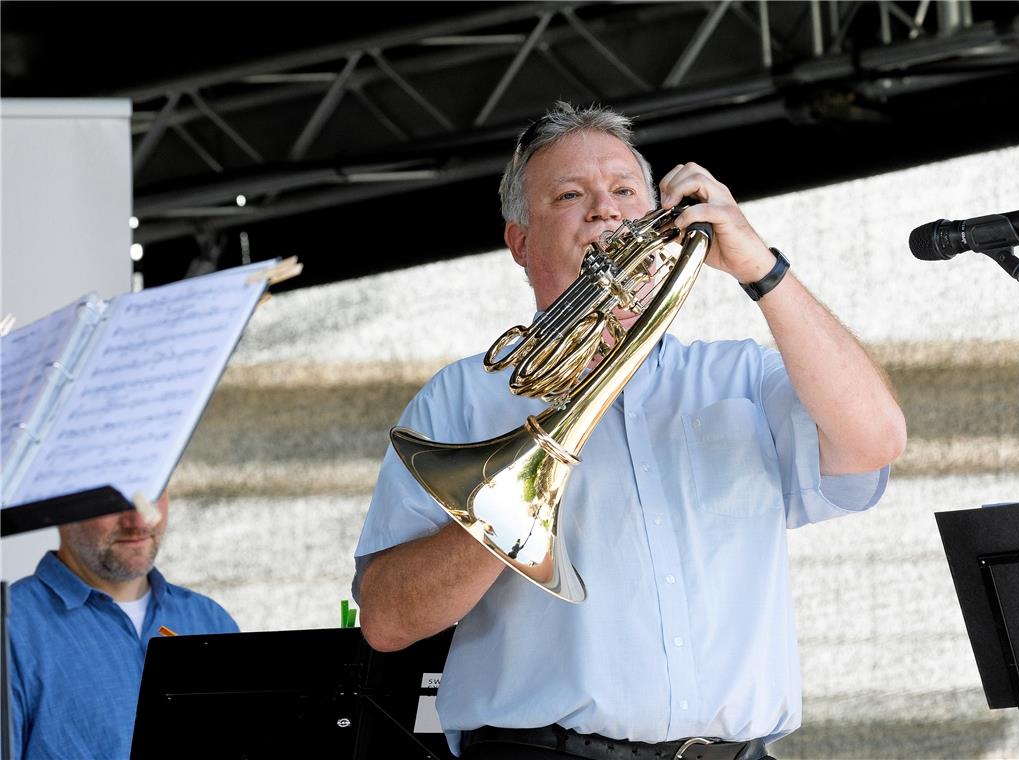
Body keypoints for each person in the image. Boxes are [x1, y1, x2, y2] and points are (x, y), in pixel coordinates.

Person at [353, 101, 907, 759]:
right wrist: (508, 509)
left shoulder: (740, 375)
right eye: (570, 195)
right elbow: (387, 621)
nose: (605, 210)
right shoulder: (462, 397)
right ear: (520, 243)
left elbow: (878, 440)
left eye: (624, 192)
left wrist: (762, 268)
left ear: (657, 222)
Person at [6, 491, 239, 759]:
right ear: (58, 503)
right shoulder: (10, 629)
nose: (140, 520)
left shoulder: (210, 620)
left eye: (153, 491)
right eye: (113, 499)